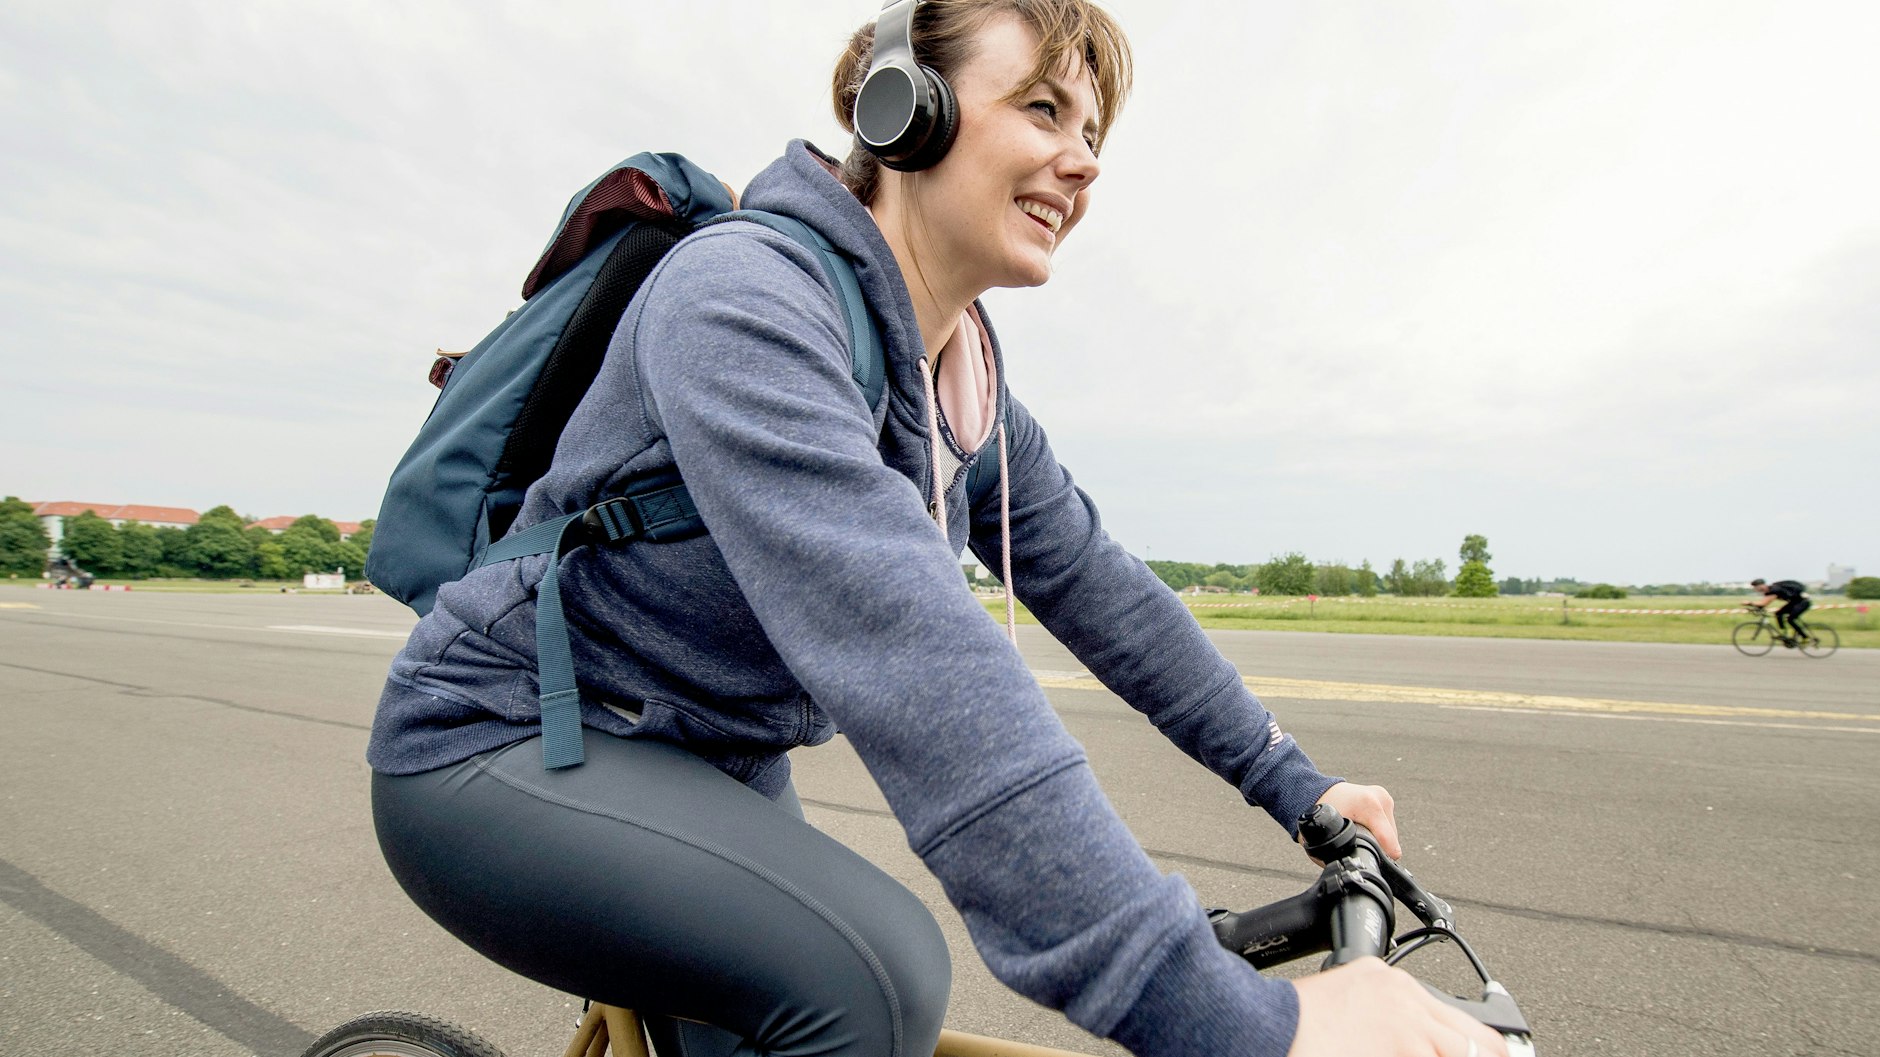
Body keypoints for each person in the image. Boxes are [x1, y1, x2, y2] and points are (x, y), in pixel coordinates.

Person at [366, 4, 1507, 1057]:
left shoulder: (958, 385)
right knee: (874, 974)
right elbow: (914, 651)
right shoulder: (740, 301)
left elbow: (1106, 592)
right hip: (503, 741)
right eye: (1043, 109)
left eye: (1094, 130)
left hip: (706, 759)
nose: (1084, 158)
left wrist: (1297, 785)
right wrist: (1234, 1023)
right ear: (904, 112)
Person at [1749, 578, 1812, 645]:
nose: (1755, 589)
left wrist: (1749, 603)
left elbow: (1764, 603)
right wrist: (1755, 608)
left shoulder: (1774, 590)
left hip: (1802, 602)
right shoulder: (1769, 591)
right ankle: (1784, 634)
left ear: (1760, 586)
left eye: (1755, 587)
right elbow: (1762, 605)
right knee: (1778, 613)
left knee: (1790, 619)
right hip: (1794, 602)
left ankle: (1805, 637)